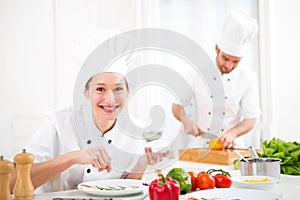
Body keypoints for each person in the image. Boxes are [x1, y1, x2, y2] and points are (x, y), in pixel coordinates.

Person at [10, 72, 168, 193]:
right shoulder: (58, 122)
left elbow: (125, 189)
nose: (110, 99)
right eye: (100, 89)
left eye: (118, 89)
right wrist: (74, 157)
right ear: (86, 92)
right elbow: (11, 182)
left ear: (128, 92)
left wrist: (141, 163)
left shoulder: (135, 130)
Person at [172, 10, 261, 149]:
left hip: (233, 147)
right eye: (225, 58)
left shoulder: (248, 78)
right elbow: (176, 106)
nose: (229, 65)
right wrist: (186, 121)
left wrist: (233, 133)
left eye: (235, 61)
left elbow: (250, 120)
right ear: (217, 49)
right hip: (201, 146)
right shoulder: (196, 72)